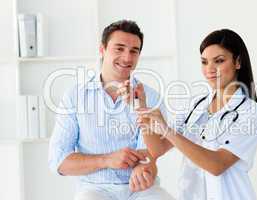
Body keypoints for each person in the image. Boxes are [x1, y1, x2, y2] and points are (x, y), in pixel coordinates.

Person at [48, 19, 174, 200]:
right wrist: (106, 159)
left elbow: (151, 152)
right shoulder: (75, 97)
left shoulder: (151, 97)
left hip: (140, 190)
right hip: (95, 190)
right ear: (102, 49)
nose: (127, 58)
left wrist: (146, 165)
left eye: (134, 51)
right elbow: (58, 161)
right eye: (119, 48)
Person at [136, 29, 257, 200]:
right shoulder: (196, 104)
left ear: (238, 62)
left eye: (218, 61)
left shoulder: (251, 111)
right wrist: (141, 105)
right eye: (204, 62)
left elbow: (216, 165)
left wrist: (167, 129)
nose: (209, 69)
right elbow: (158, 149)